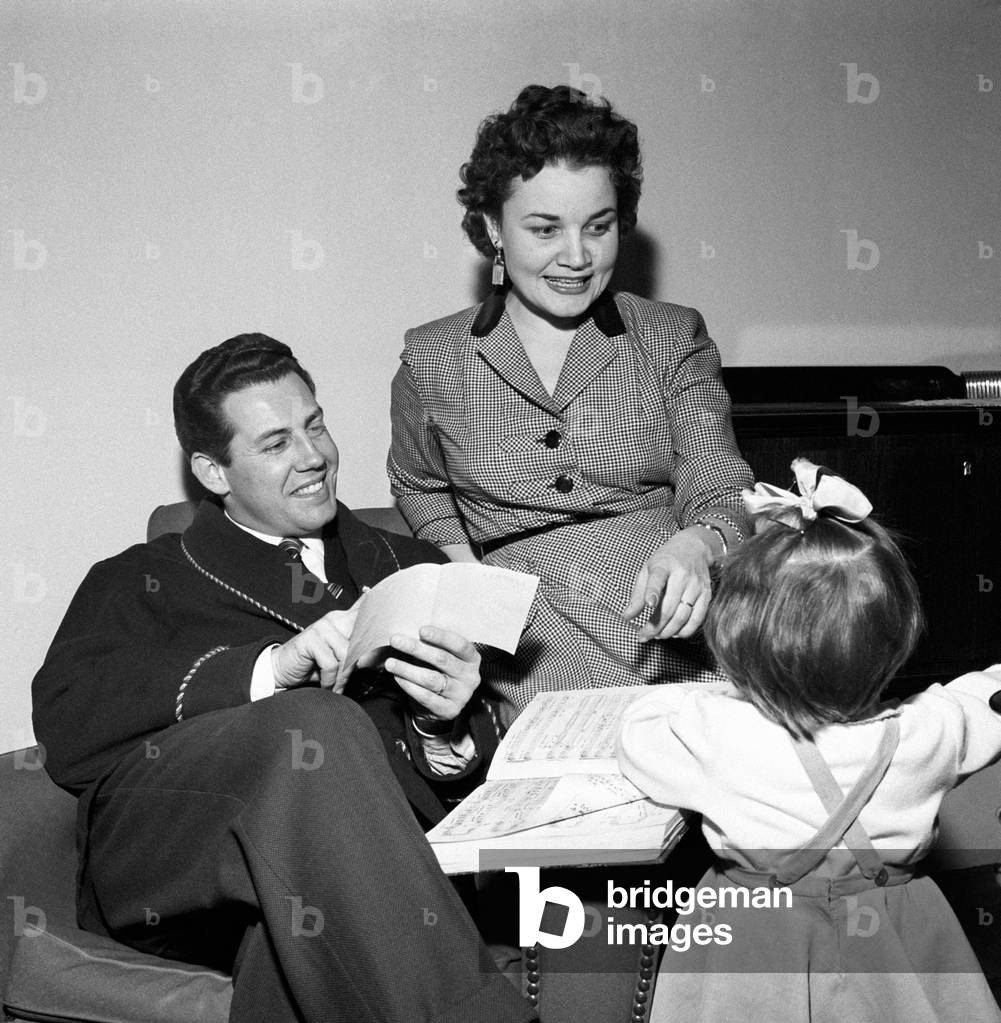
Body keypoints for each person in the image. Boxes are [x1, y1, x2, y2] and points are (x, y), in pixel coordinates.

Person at [32, 334, 536, 1023]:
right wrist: (268, 670)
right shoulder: (140, 578)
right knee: (313, 722)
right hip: (175, 865)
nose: (313, 457)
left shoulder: (412, 565)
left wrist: (442, 724)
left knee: (294, 943)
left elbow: (472, 788)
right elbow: (68, 719)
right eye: (275, 444)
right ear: (214, 472)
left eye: (316, 424)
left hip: (358, 881)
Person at [388, 84, 755, 714]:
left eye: (599, 227)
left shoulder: (670, 337)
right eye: (545, 229)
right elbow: (417, 483)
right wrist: (468, 582)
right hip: (528, 653)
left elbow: (721, 487)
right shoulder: (433, 358)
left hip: (677, 635)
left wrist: (697, 545)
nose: (577, 258)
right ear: (491, 228)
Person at [617, 458, 1001, 1023]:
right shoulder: (930, 729)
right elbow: (985, 700)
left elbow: (636, 732)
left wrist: (710, 695)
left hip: (752, 948)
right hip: (895, 943)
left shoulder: (716, 734)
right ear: (896, 642)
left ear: (734, 642)